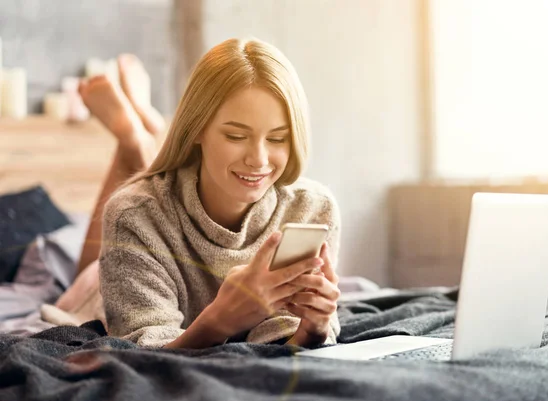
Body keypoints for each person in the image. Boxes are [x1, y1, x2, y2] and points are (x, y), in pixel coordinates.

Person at [52, 38, 342, 349]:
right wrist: (220, 319)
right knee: (90, 267)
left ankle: (143, 127)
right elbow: (143, 348)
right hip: (98, 289)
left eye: (278, 138)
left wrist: (314, 328)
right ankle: (132, 139)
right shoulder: (132, 215)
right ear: (197, 127)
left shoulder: (313, 208)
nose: (258, 159)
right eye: (236, 135)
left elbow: (288, 340)